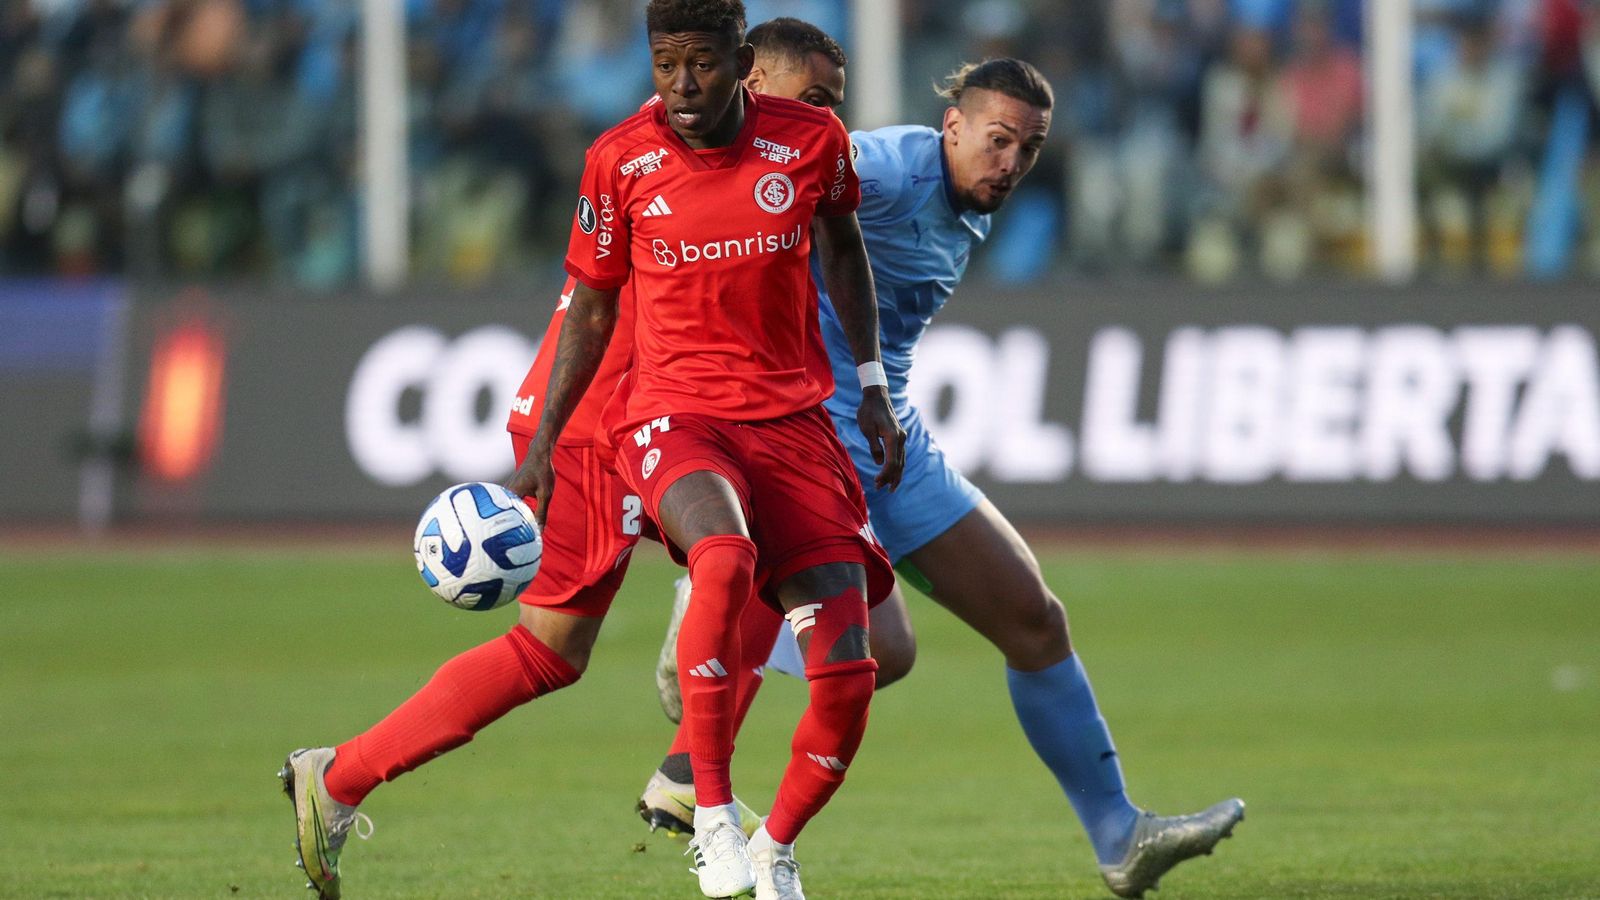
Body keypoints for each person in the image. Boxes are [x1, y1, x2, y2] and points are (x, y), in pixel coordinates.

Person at [277, 5, 900, 899]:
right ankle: (337, 779)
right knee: (553, 649)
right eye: (815, 96)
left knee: (756, 570)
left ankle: (690, 761)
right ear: (750, 75)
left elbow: (819, 269)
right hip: (600, 419)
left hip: (687, 421)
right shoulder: (640, 158)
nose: (830, 118)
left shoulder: (796, 150)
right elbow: (598, 305)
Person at [642, 57, 1246, 900]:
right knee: (883, 651)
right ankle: (712, 629)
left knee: (1033, 621)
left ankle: (1120, 837)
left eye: (1028, 150)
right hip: (810, 437)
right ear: (951, 127)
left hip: (893, 441)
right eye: (997, 141)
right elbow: (758, 189)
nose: (1011, 163)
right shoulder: (885, 167)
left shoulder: (973, 203)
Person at [514, 1, 904, 897]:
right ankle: (713, 816)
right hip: (672, 413)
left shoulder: (811, 141)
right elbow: (592, 303)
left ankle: (775, 845)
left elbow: (843, 250)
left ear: (742, 59)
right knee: (723, 558)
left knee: (849, 676)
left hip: (792, 424)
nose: (683, 86)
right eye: (665, 64)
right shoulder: (620, 159)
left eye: (701, 63)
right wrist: (542, 445)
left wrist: (875, 386)